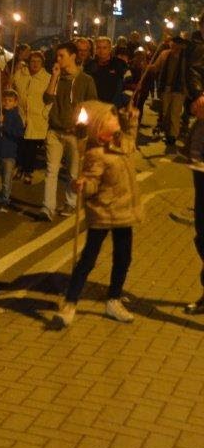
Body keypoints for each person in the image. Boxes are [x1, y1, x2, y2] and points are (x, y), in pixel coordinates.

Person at [54, 101, 141, 327]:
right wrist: (83, 185)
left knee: (123, 258)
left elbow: (131, 136)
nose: (116, 119)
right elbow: (92, 184)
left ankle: (113, 299)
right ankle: (70, 303)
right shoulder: (95, 154)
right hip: (103, 213)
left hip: (124, 213)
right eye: (111, 118)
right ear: (99, 127)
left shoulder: (122, 142)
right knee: (88, 260)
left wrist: (131, 119)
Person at [39, 42, 97, 221]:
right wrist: (54, 77)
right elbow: (47, 98)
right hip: (55, 131)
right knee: (51, 170)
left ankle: (70, 202)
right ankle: (48, 207)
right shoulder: (57, 77)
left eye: (61, 56)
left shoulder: (85, 80)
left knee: (72, 172)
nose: (58, 59)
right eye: (57, 56)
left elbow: (92, 105)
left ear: (72, 56)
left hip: (74, 134)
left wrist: (83, 124)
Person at [182, 16, 204, 314]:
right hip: (201, 162)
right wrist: (197, 96)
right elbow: (193, 75)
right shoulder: (196, 47)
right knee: (202, 227)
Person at [0, 90, 25, 211]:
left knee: (6, 179)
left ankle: (4, 199)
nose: (7, 103)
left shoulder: (16, 117)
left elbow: (18, 134)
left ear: (15, 103)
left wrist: (4, 126)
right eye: (5, 100)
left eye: (10, 101)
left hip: (8, 153)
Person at [14, 50, 51, 184]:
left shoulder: (47, 78)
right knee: (20, 145)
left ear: (42, 63)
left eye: (38, 61)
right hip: (22, 115)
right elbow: (12, 88)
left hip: (37, 117)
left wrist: (45, 114)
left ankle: (28, 170)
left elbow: (50, 99)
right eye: (32, 61)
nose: (35, 64)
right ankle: (20, 168)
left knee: (31, 147)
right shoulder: (21, 74)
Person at [150, 35, 188, 152]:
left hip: (179, 89)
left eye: (177, 45)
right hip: (166, 88)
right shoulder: (165, 54)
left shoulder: (186, 58)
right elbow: (156, 67)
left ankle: (172, 136)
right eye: (173, 45)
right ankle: (167, 133)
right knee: (165, 112)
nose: (174, 47)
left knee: (175, 113)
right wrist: (148, 67)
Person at [84, 37, 128, 106]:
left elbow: (127, 85)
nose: (101, 51)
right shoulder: (89, 65)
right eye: (98, 48)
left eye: (104, 48)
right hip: (94, 104)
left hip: (114, 106)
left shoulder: (120, 64)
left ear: (110, 49)